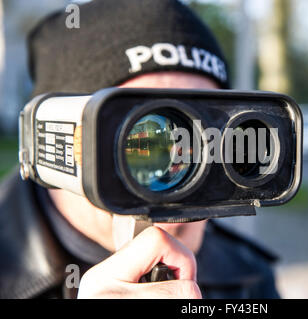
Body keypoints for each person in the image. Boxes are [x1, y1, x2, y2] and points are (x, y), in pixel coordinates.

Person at [0, 0, 279, 299]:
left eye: (204, 132)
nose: (181, 165)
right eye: (137, 130)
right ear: (49, 144)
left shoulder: (246, 277)